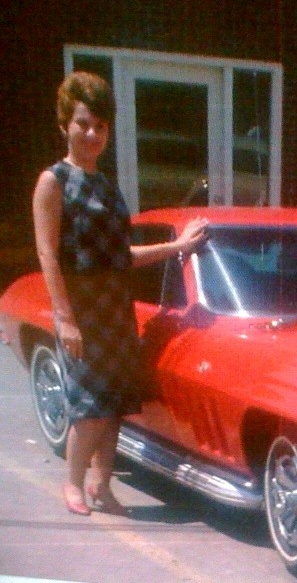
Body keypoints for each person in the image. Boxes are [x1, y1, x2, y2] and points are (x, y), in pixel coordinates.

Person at [32, 71, 209, 516]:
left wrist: (178, 246)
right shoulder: (53, 181)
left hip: (116, 309)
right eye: (83, 123)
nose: (92, 134)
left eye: (101, 126)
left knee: (113, 405)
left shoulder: (108, 188)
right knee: (90, 406)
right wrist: (65, 318)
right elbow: (47, 254)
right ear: (65, 125)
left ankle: (102, 484)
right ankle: (73, 483)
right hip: (81, 310)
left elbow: (122, 255)